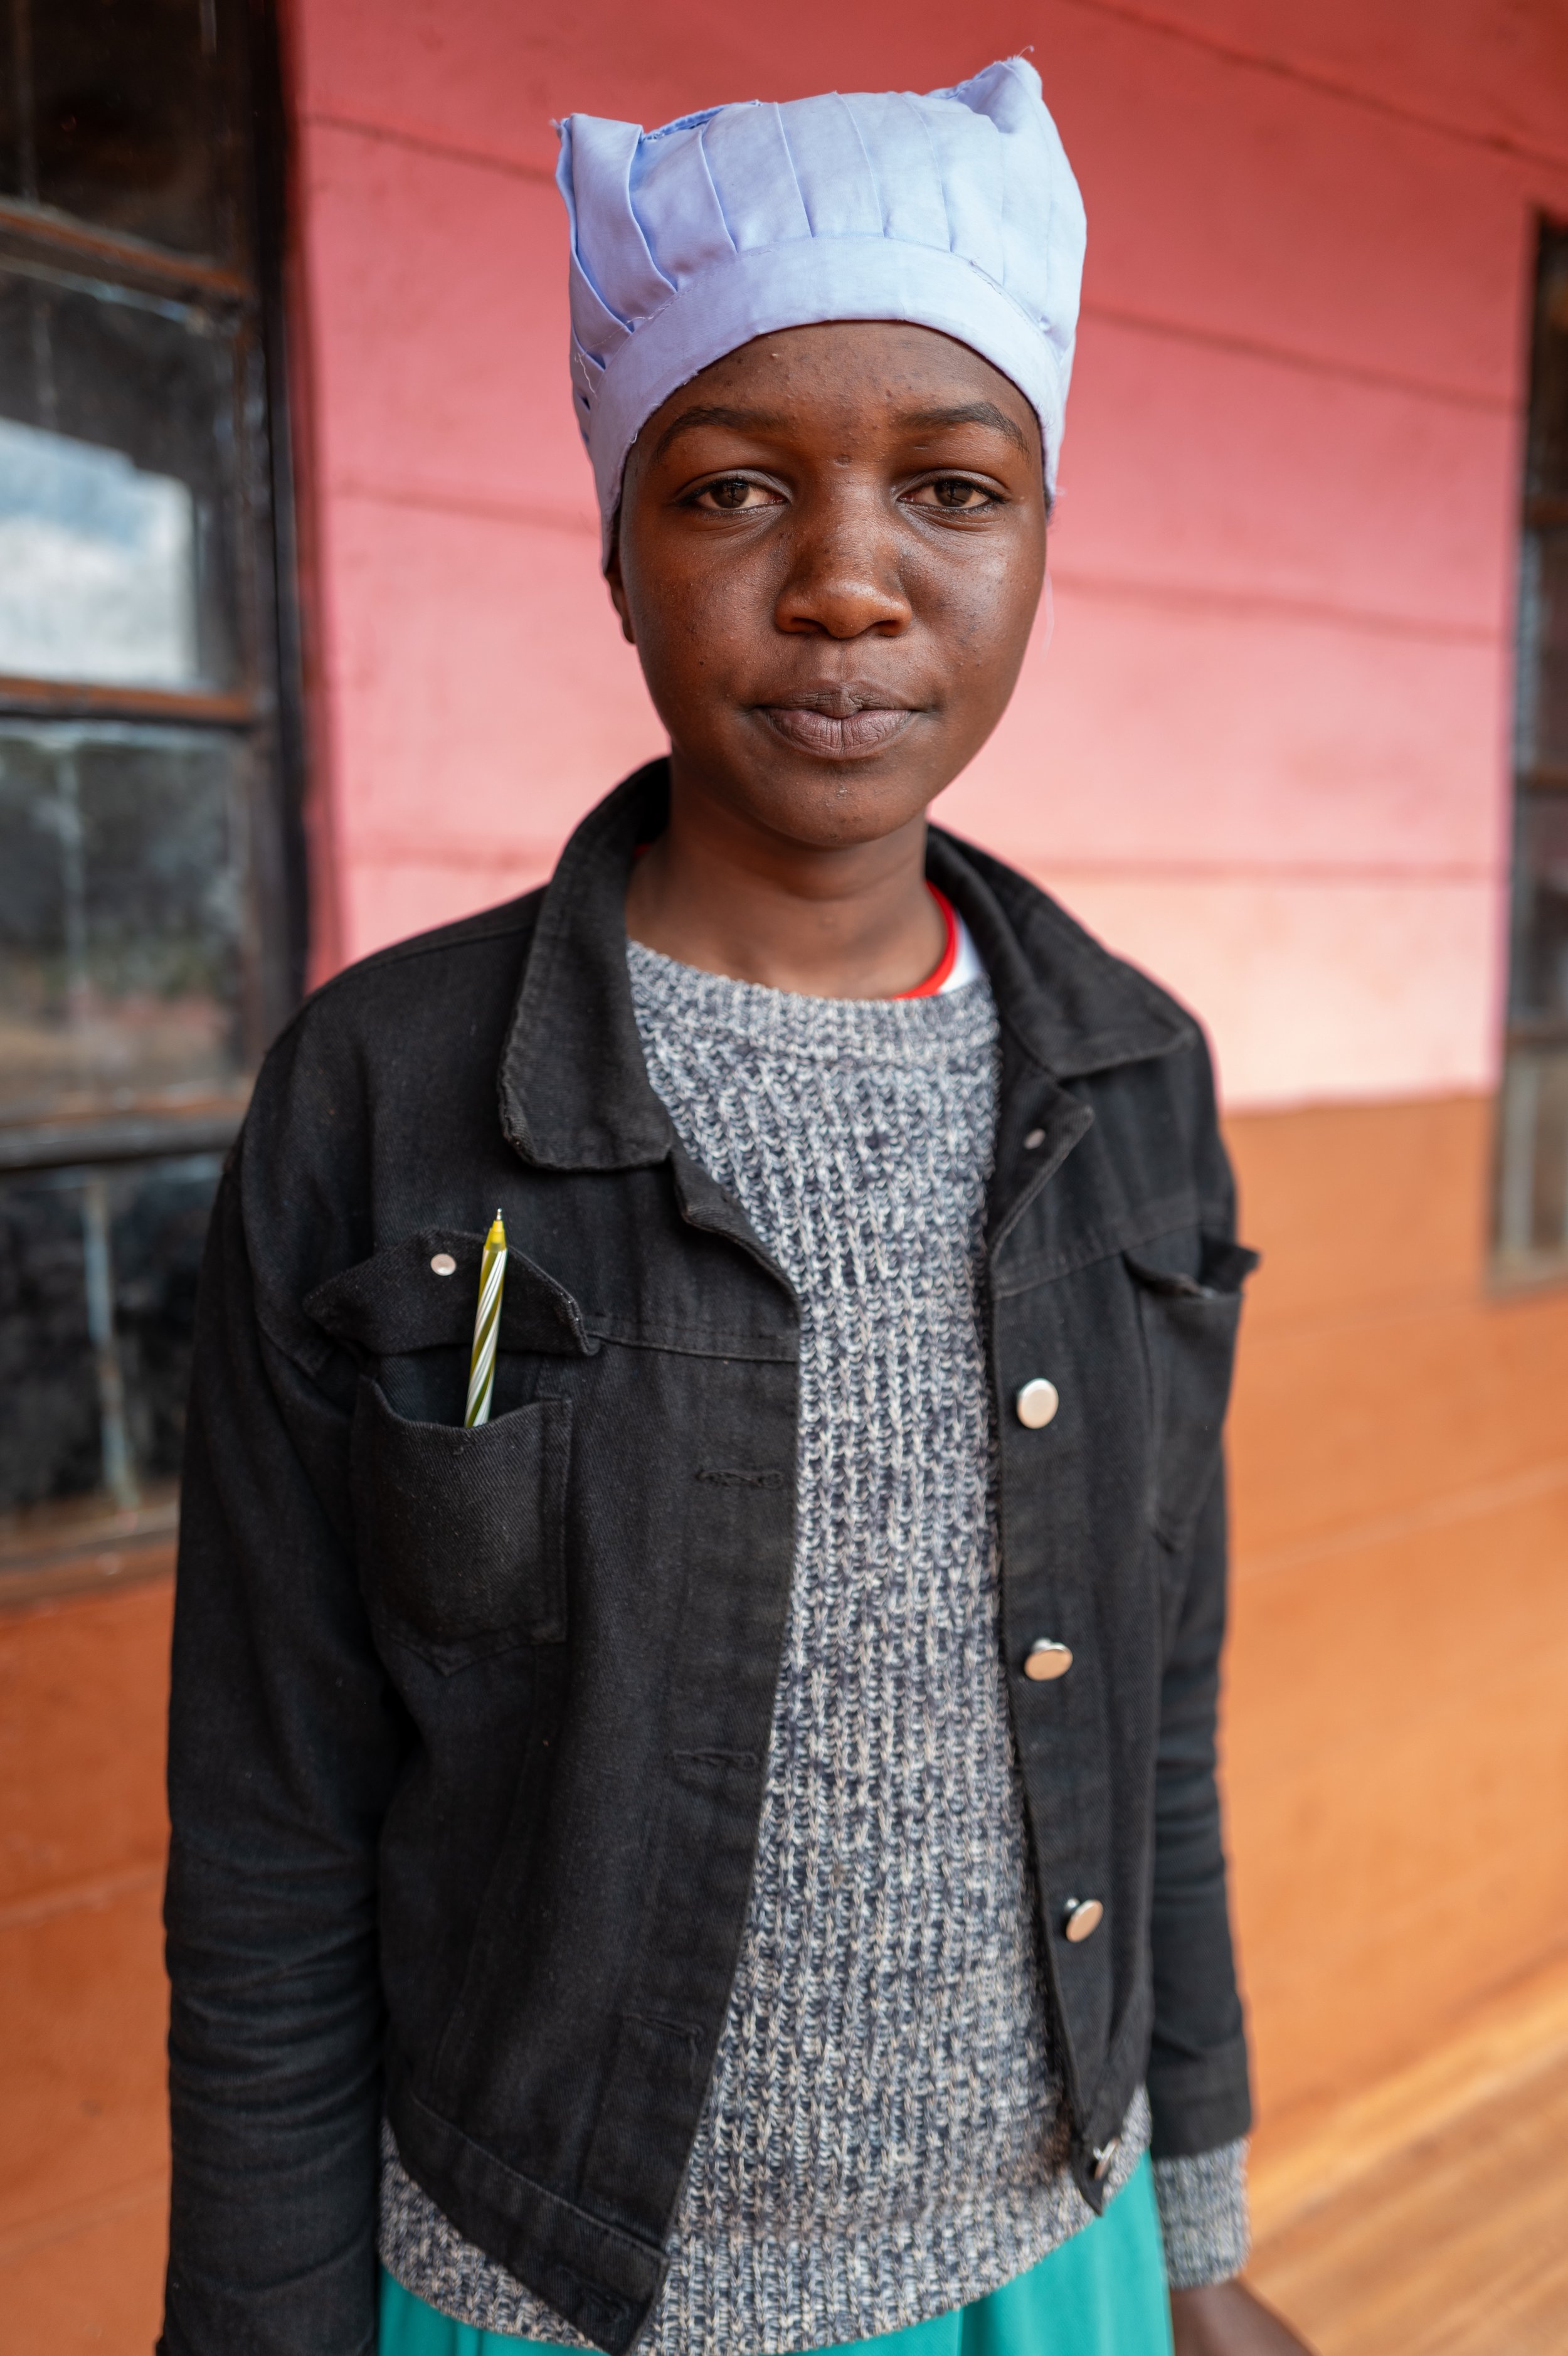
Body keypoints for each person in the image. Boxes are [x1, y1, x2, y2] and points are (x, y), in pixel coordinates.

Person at [160, 58, 1314, 2356]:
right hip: (531, 2285)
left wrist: (1193, 2245)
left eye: (951, 486)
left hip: (1046, 2257)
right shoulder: (383, 1100)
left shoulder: (1136, 1088)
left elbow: (1155, 1731)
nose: (848, 580)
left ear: (1042, 537)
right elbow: (275, 1824)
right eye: (732, 487)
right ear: (615, 544)